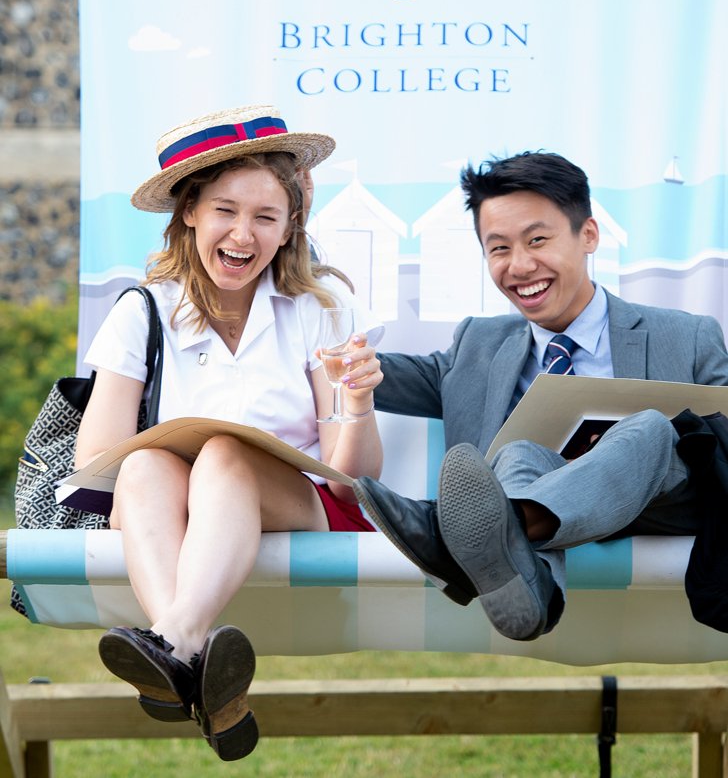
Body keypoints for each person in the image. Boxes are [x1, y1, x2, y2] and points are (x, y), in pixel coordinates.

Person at [75, 104, 384, 761]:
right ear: (189, 211)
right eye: (225, 210)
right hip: (172, 509)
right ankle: (192, 659)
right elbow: (97, 462)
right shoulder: (143, 312)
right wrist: (174, 451)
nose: (243, 233)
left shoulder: (320, 310)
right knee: (145, 464)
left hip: (302, 506)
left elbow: (354, 478)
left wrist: (356, 402)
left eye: (265, 217)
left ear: (287, 228)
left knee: (223, 453)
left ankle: (172, 642)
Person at [352, 151, 728, 643]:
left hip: (666, 503)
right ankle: (531, 591)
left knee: (652, 426)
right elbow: (378, 373)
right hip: (549, 503)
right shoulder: (477, 345)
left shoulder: (688, 335)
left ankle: (459, 533)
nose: (520, 265)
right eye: (499, 248)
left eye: (537, 240)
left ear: (588, 235)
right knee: (519, 454)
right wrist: (341, 358)